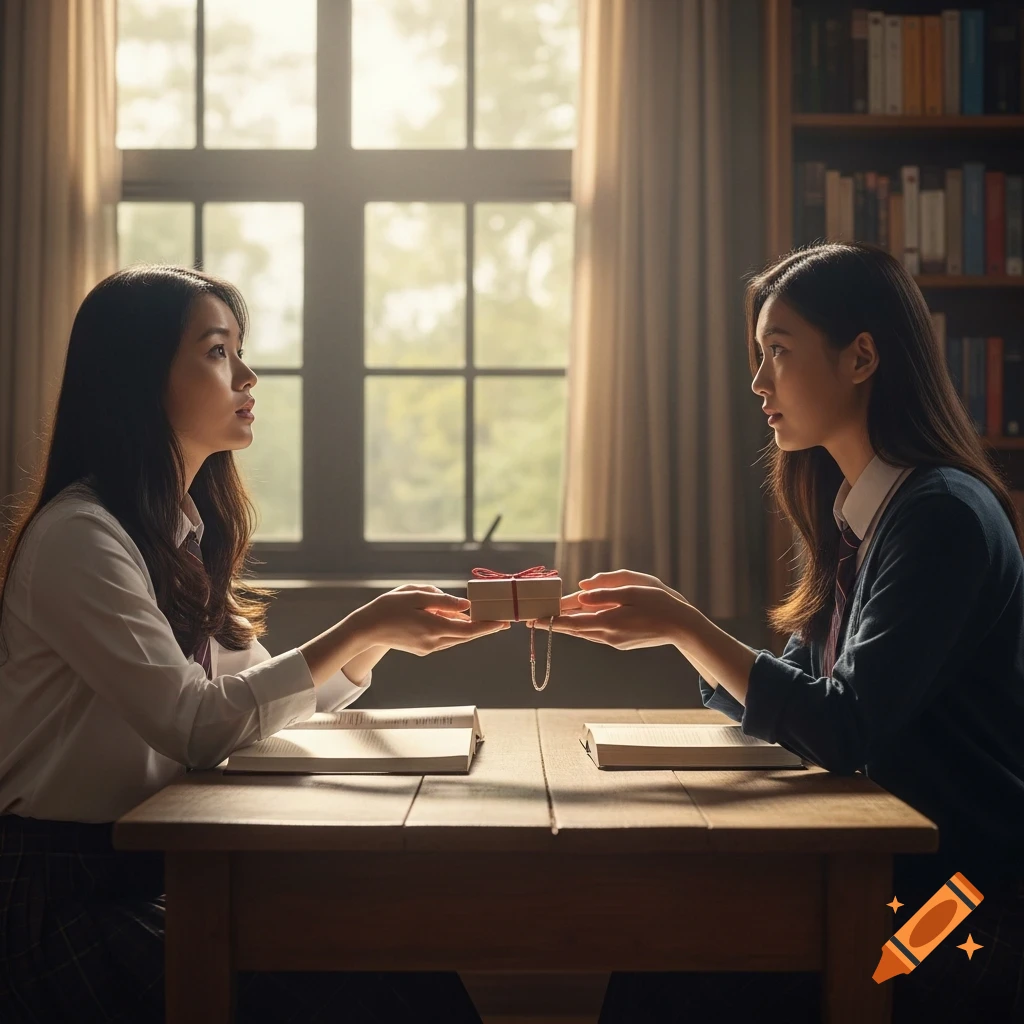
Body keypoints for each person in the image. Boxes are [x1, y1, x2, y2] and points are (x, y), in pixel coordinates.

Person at [0, 265, 507, 1023]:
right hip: (68, 901)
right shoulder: (80, 538)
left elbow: (248, 701)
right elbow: (198, 726)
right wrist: (360, 627)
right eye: (217, 351)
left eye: (239, 350)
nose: (248, 374)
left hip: (160, 870)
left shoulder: (175, 528)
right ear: (142, 378)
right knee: (370, 983)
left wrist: (376, 644)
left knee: (398, 956)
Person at [545, 243, 1024, 1024]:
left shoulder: (941, 516)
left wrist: (688, 629)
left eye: (779, 352)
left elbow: (843, 726)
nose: (759, 382)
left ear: (861, 356)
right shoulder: (859, 513)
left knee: (682, 977)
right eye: (758, 354)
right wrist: (678, 631)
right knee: (667, 954)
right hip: (888, 869)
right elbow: (804, 697)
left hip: (963, 905)